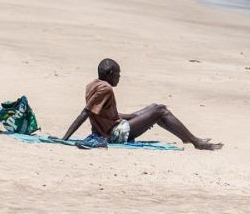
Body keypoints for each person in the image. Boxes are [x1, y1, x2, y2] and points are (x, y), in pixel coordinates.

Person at [61, 58, 222, 150]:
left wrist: (135, 115)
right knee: (160, 111)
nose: (119, 78)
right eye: (118, 74)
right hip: (113, 134)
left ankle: (189, 138)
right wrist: (65, 138)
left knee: (154, 107)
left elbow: (103, 113)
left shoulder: (93, 84)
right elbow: (86, 113)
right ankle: (195, 142)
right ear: (111, 74)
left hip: (112, 127)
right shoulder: (106, 89)